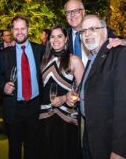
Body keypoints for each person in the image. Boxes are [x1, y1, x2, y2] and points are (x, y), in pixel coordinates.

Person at [69, 15, 126, 159]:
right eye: (83, 31)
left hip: (109, 139)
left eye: (93, 29)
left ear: (105, 32)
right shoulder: (93, 57)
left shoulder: (120, 54)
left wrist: (120, 150)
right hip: (92, 133)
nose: (87, 34)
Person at [0, 15, 45, 159]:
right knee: (14, 149)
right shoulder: (4, 54)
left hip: (35, 107)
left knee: (34, 148)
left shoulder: (41, 50)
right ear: (12, 31)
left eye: (22, 28)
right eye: (16, 28)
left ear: (28, 29)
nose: (19, 32)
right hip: (14, 108)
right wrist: (3, 86)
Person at [39, 25, 84, 159]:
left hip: (66, 116)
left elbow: (82, 90)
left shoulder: (74, 60)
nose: (56, 40)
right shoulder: (43, 59)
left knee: (64, 152)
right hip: (44, 114)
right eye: (52, 36)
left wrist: (65, 98)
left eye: (60, 36)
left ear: (66, 39)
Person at [64, 0, 118, 65]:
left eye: (76, 11)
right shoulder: (63, 36)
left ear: (83, 12)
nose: (72, 15)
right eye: (68, 12)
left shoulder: (100, 29)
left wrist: (122, 42)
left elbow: (118, 43)